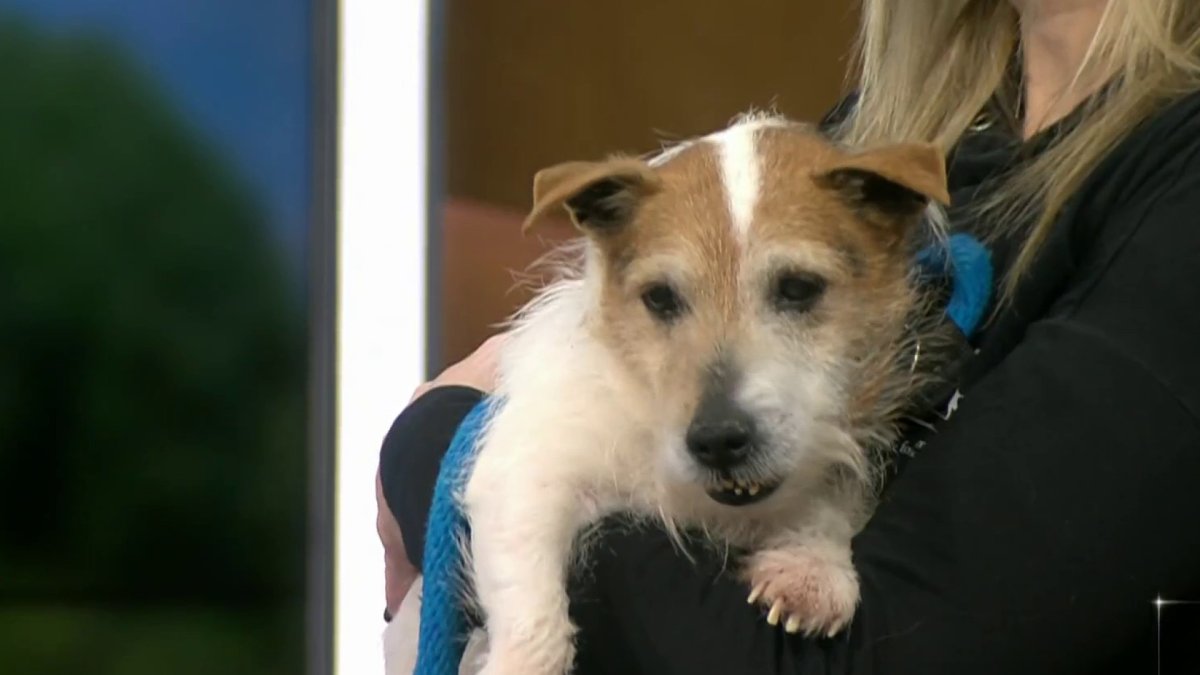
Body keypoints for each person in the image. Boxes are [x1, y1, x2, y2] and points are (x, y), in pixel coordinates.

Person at [377, 1, 1200, 672]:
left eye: (799, 291)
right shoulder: (906, 123)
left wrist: (432, 448)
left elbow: (849, 661)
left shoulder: (1175, 187)